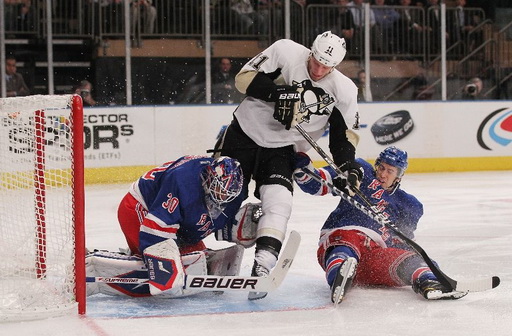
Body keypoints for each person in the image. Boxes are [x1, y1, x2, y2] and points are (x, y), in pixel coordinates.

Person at [213, 31, 362, 297]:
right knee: (221, 200)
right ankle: (203, 250)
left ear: (336, 65)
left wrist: (348, 167)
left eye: (326, 66)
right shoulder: (285, 51)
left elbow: (343, 138)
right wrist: (279, 94)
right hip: (244, 134)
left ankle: (263, 266)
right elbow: (243, 79)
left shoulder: (345, 90)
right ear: (311, 51)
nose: (318, 69)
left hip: (283, 148)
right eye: (315, 61)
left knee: (279, 202)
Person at [293, 146, 469, 303]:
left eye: (390, 171)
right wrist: (303, 171)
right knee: (347, 243)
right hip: (341, 238)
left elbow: (402, 240)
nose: (383, 174)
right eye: (381, 167)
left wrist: (421, 261)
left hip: (372, 257)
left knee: (410, 261)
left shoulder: (408, 205)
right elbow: (319, 185)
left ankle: (429, 282)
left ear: (399, 175)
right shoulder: (362, 171)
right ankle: (339, 274)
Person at [87, 155, 263, 297]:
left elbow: (211, 219)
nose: (223, 198)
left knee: (195, 261)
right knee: (158, 271)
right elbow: (155, 231)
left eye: (228, 194)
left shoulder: (235, 192)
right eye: (218, 190)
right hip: (140, 208)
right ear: (208, 178)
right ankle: (92, 266)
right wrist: (164, 265)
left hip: (177, 219)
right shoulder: (182, 181)